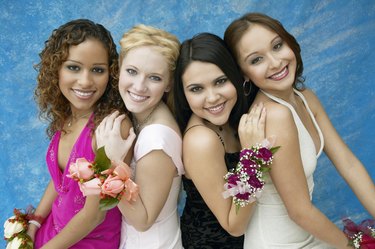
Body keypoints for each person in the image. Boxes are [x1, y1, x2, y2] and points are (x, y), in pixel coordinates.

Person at [224, 12, 375, 248]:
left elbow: (348, 163)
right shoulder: (274, 115)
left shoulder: (304, 98)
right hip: (279, 242)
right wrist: (352, 246)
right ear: (244, 73)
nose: (275, 62)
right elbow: (299, 211)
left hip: (308, 233)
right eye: (256, 60)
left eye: (277, 46)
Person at [28, 19, 133, 248]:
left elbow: (95, 215)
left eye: (97, 70)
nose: (85, 81)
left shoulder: (112, 127)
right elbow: (60, 179)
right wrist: (34, 223)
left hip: (90, 240)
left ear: (111, 74)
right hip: (56, 232)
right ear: (55, 69)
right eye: (73, 67)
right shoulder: (68, 114)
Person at [173, 32, 268, 249]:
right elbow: (233, 225)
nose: (213, 97)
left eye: (221, 81)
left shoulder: (233, 118)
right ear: (184, 94)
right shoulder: (201, 140)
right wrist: (254, 156)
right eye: (196, 89)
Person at [95, 24, 184, 249]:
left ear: (168, 84)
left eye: (154, 78)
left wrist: (111, 163)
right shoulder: (141, 118)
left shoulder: (157, 137)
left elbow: (143, 220)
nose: (139, 86)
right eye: (132, 71)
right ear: (119, 69)